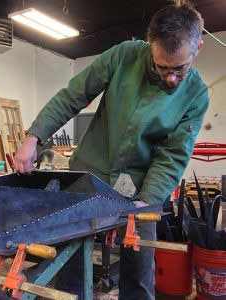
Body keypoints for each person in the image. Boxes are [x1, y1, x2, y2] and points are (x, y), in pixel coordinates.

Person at [14, 2, 208, 299]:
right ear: (150, 47)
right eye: (162, 67)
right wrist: (33, 138)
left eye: (179, 69)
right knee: (71, 260)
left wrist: (147, 200)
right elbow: (72, 97)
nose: (170, 78)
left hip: (143, 188)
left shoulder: (196, 94)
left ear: (198, 49)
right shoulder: (124, 55)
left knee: (140, 268)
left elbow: (172, 156)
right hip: (90, 173)